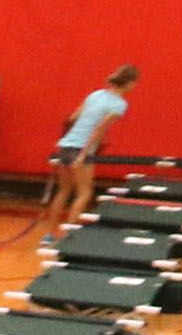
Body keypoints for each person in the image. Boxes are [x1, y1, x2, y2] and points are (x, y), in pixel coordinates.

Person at [52, 65, 140, 221]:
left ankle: (49, 235)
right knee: (84, 193)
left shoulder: (96, 94)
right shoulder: (119, 105)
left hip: (66, 145)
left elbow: (72, 118)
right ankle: (68, 234)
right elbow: (99, 128)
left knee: (64, 190)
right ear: (129, 83)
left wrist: (63, 141)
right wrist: (84, 154)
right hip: (82, 148)